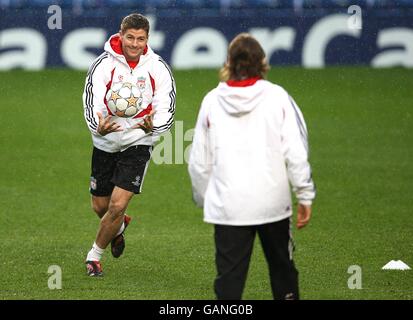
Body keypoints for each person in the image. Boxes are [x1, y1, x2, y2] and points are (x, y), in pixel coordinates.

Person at [188, 33, 315, 300]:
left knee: (228, 285)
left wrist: (207, 199)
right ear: (262, 63)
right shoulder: (278, 97)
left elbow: (199, 160)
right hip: (273, 204)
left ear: (229, 62)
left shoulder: (212, 101)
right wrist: (304, 194)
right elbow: (296, 150)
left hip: (229, 207)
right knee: (283, 274)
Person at [82, 13, 176, 277]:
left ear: (148, 39)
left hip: (139, 141)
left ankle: (94, 257)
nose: (135, 44)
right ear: (121, 35)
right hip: (105, 140)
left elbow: (166, 108)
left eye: (141, 39)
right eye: (130, 37)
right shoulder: (103, 65)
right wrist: (97, 126)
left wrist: (153, 128)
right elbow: (92, 101)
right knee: (100, 207)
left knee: (117, 205)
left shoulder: (157, 67)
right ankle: (118, 228)